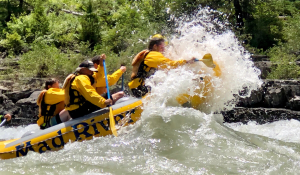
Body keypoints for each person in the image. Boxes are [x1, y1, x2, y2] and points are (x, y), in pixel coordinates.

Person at [128, 34, 196, 97]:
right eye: (162, 47)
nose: (164, 50)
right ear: (155, 46)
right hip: (140, 90)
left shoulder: (149, 54)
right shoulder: (151, 55)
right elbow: (169, 64)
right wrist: (187, 61)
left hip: (139, 88)